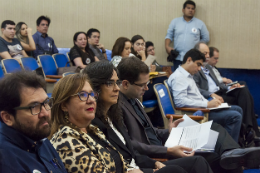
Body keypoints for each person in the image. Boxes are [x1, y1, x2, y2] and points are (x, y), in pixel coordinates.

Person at [117, 56, 260, 173]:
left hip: (166, 144)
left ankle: (233, 153)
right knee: (202, 160)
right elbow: (132, 145)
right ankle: (234, 155)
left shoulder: (134, 99)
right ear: (125, 84)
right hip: (156, 155)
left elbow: (150, 130)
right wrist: (169, 150)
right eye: (142, 85)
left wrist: (169, 132)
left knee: (216, 136)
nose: (146, 88)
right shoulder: (118, 107)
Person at [83, 61, 213, 173]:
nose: (117, 89)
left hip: (146, 159)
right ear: (95, 89)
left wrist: (168, 133)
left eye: (116, 83)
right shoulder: (97, 122)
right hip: (145, 160)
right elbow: (122, 156)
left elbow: (133, 147)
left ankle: (229, 157)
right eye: (110, 83)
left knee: (210, 144)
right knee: (195, 162)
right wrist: (160, 158)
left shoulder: (114, 113)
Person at [50, 73, 133, 173]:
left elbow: (120, 162)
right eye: (82, 95)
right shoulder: (65, 141)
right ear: (64, 105)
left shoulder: (92, 129)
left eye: (92, 94)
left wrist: (130, 170)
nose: (91, 100)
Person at [168, 49, 243, 141]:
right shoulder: (179, 77)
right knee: (235, 116)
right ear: (189, 60)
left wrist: (210, 102)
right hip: (196, 113)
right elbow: (180, 102)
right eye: (198, 64)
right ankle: (229, 150)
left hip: (202, 109)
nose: (199, 69)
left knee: (237, 109)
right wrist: (207, 104)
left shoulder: (187, 75)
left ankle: (235, 142)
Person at [0, 71, 67, 173]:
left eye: (46, 103)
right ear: (8, 117)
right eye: (33, 107)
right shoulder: (5, 160)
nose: (45, 113)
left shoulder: (38, 136)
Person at [193, 42, 260, 142]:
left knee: (242, 88)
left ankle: (249, 129)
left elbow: (217, 84)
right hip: (212, 97)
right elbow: (196, 89)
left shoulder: (207, 67)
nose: (207, 56)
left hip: (219, 91)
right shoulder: (194, 69)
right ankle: (250, 129)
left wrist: (230, 87)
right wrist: (211, 94)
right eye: (205, 53)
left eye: (207, 53)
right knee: (243, 94)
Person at [165, 0, 209, 71]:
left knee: (191, 78)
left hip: (192, 58)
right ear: (183, 10)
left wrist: (198, 49)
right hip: (177, 58)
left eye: (192, 8)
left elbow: (206, 38)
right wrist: (167, 47)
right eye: (188, 8)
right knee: (178, 78)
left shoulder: (200, 24)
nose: (190, 10)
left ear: (194, 11)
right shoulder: (175, 22)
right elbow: (168, 36)